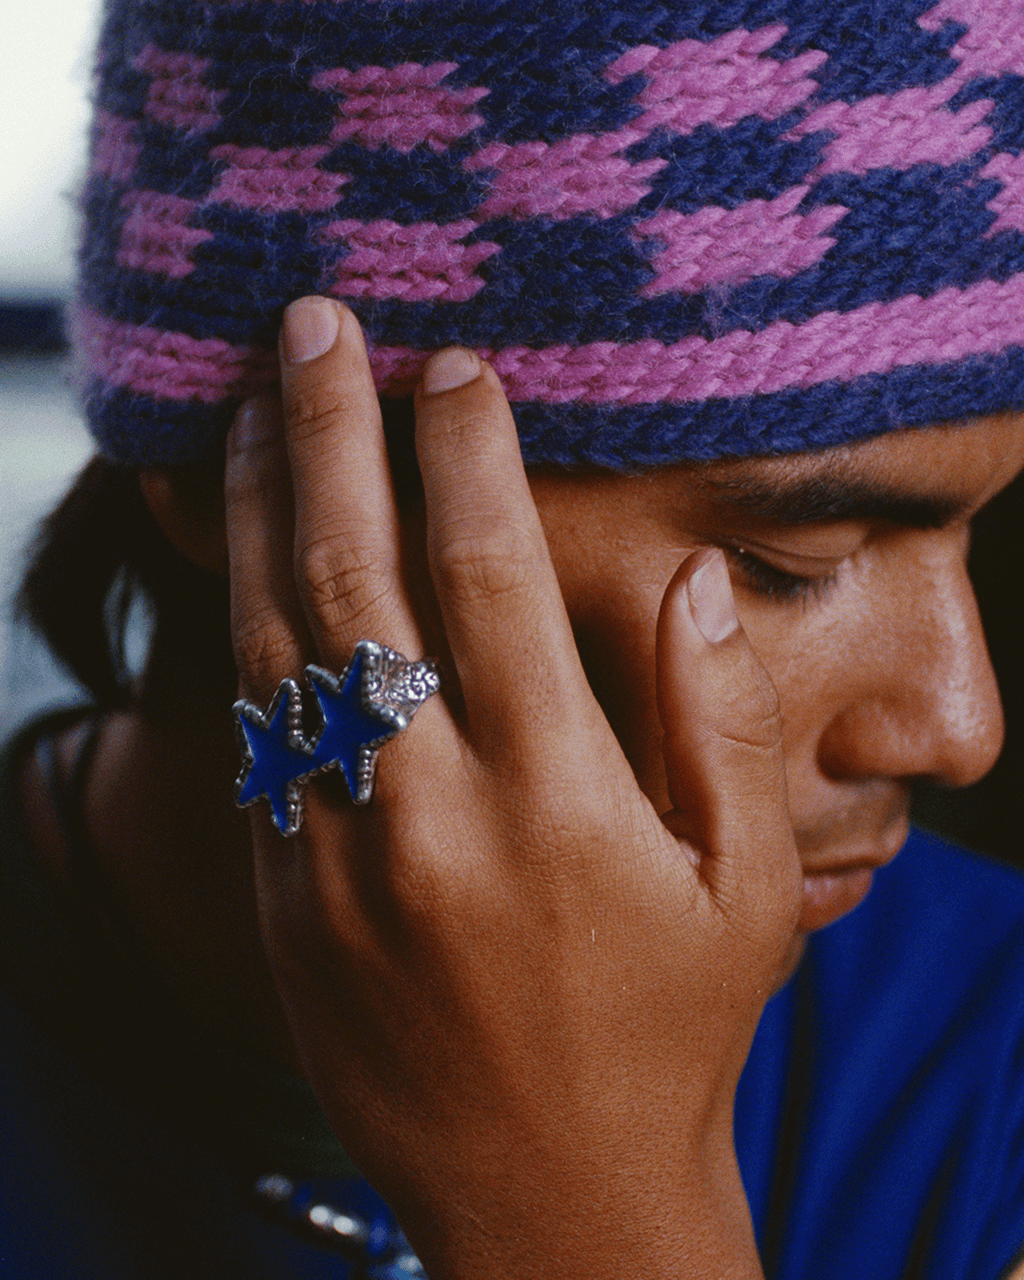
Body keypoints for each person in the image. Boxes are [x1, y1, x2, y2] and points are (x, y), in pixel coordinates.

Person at [4, 1, 1024, 1276]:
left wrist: (592, 1224)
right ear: (240, 474)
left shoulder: (988, 1064)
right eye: (789, 563)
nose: (957, 723)